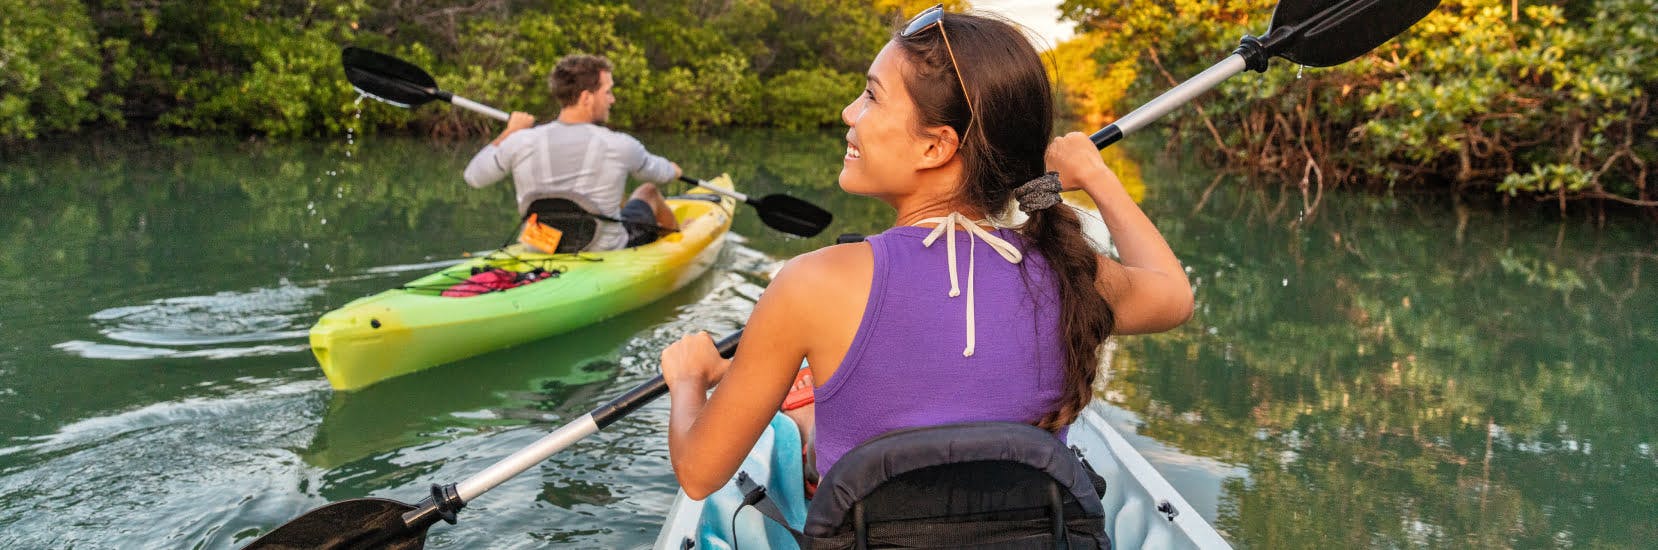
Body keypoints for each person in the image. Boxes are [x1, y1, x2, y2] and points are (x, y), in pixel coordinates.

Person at [659, 6, 1195, 500]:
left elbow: (700, 473)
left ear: (935, 146)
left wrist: (689, 378)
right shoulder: (1066, 269)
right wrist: (1097, 177)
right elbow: (1173, 296)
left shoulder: (811, 283)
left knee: (801, 423)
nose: (850, 113)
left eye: (870, 96)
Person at [463, 54, 683, 251]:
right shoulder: (620, 145)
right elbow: (661, 174)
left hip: (540, 247)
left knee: (617, 201)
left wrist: (509, 132)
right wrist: (674, 170)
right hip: (603, 249)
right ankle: (679, 240)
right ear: (587, 98)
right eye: (607, 92)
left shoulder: (521, 140)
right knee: (648, 192)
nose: (612, 99)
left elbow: (474, 177)